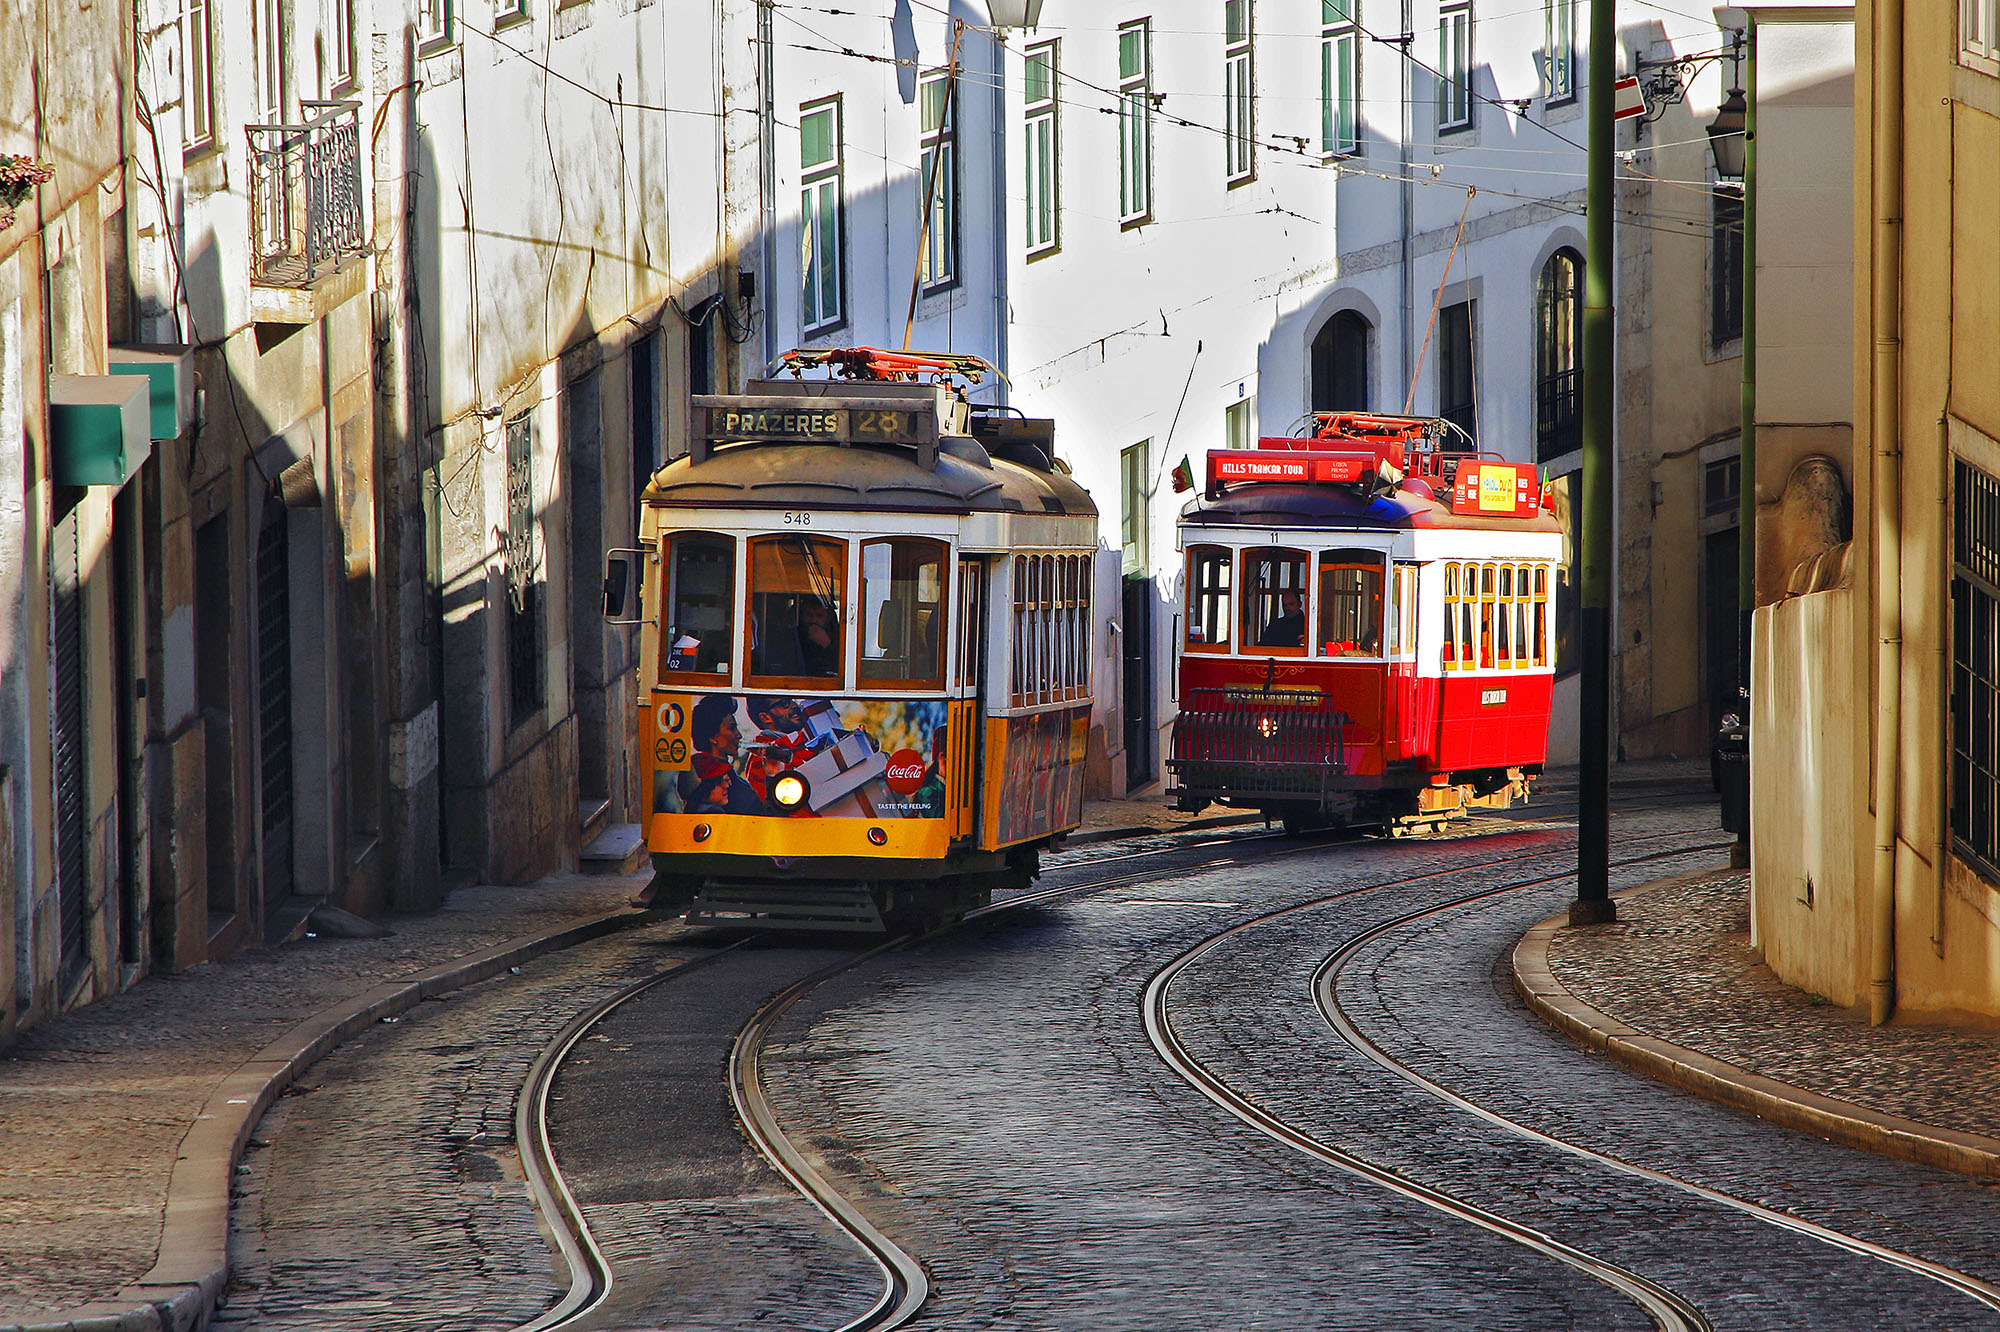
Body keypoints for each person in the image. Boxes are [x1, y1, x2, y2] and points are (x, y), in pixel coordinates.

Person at [680, 694, 767, 815]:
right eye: (732, 728)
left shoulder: (726, 773)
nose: (739, 735)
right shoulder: (707, 774)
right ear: (712, 736)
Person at [796, 599, 839, 676]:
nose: (813, 620)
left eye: (819, 616)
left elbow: (840, 667)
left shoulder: (837, 637)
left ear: (827, 618)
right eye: (809, 615)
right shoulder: (794, 637)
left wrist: (827, 645)